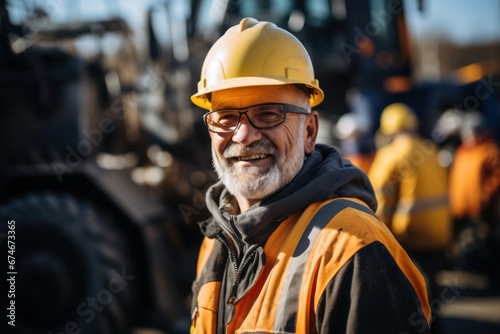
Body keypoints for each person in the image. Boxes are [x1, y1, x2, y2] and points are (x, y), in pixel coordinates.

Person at [189, 18, 431, 333]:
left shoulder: (353, 250)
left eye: (268, 113)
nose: (243, 134)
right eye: (226, 118)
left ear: (310, 131)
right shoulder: (216, 240)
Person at [368, 103, 452, 298]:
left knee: (408, 295)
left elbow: (379, 201)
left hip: (408, 238)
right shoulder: (431, 150)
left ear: (388, 130)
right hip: (439, 235)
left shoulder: (390, 156)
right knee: (431, 292)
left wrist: (374, 240)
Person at [448, 111, 500, 275]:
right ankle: (466, 268)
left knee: (486, 242)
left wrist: (485, 196)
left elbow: (496, 176)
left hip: (482, 210)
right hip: (460, 210)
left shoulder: (490, 150)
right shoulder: (462, 151)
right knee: (463, 242)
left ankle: (488, 273)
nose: (468, 137)